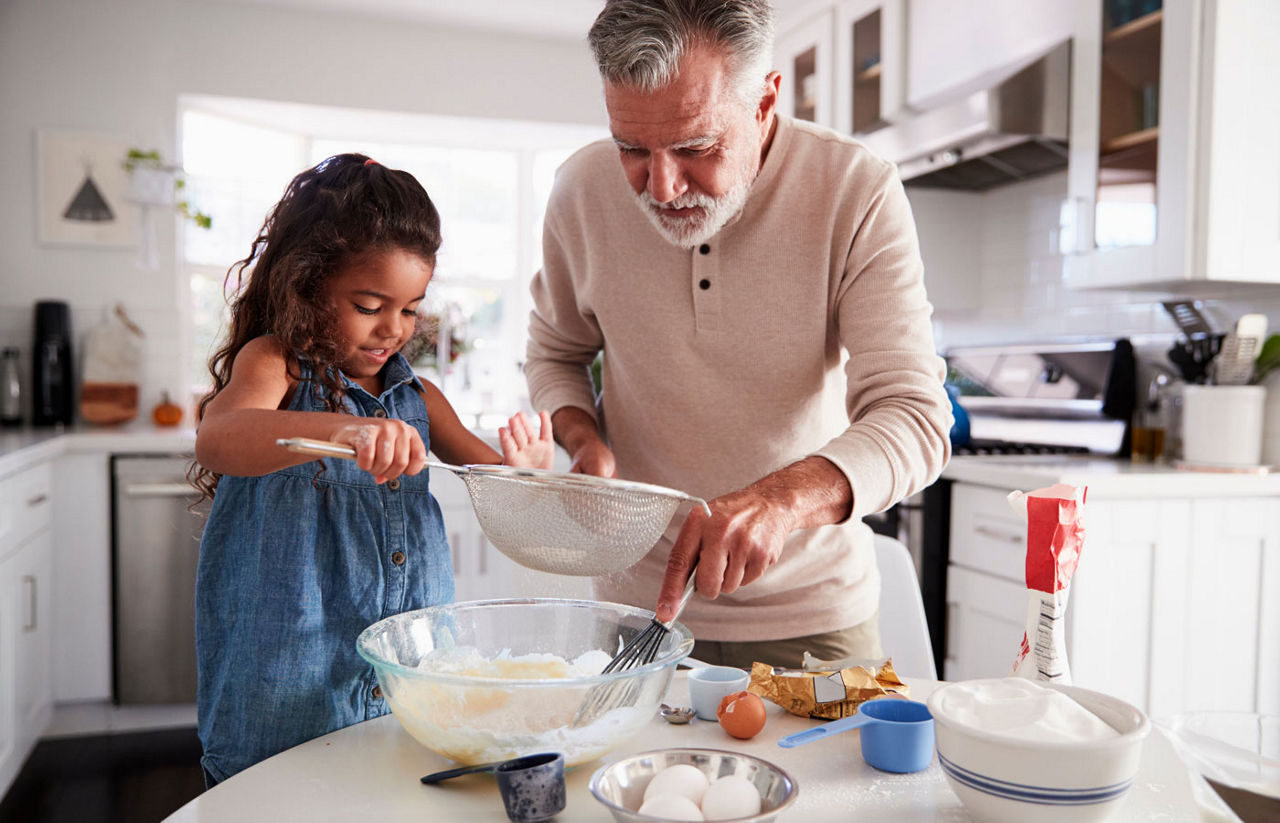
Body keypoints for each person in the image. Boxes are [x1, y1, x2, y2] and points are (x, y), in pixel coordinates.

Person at [524, 0, 951, 670]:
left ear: (765, 103)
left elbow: (915, 416)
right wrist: (582, 439)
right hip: (638, 607)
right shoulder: (580, 191)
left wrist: (780, 501)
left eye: (696, 148)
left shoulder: (856, 190)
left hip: (812, 612)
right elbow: (555, 352)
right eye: (632, 149)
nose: (661, 187)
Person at [191, 153, 554, 784]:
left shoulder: (420, 396)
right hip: (286, 673)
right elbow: (220, 436)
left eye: (410, 309)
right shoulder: (276, 363)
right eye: (368, 304)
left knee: (392, 793)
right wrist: (344, 429)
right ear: (308, 286)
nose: (393, 328)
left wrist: (524, 472)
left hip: (410, 671)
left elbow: (499, 489)